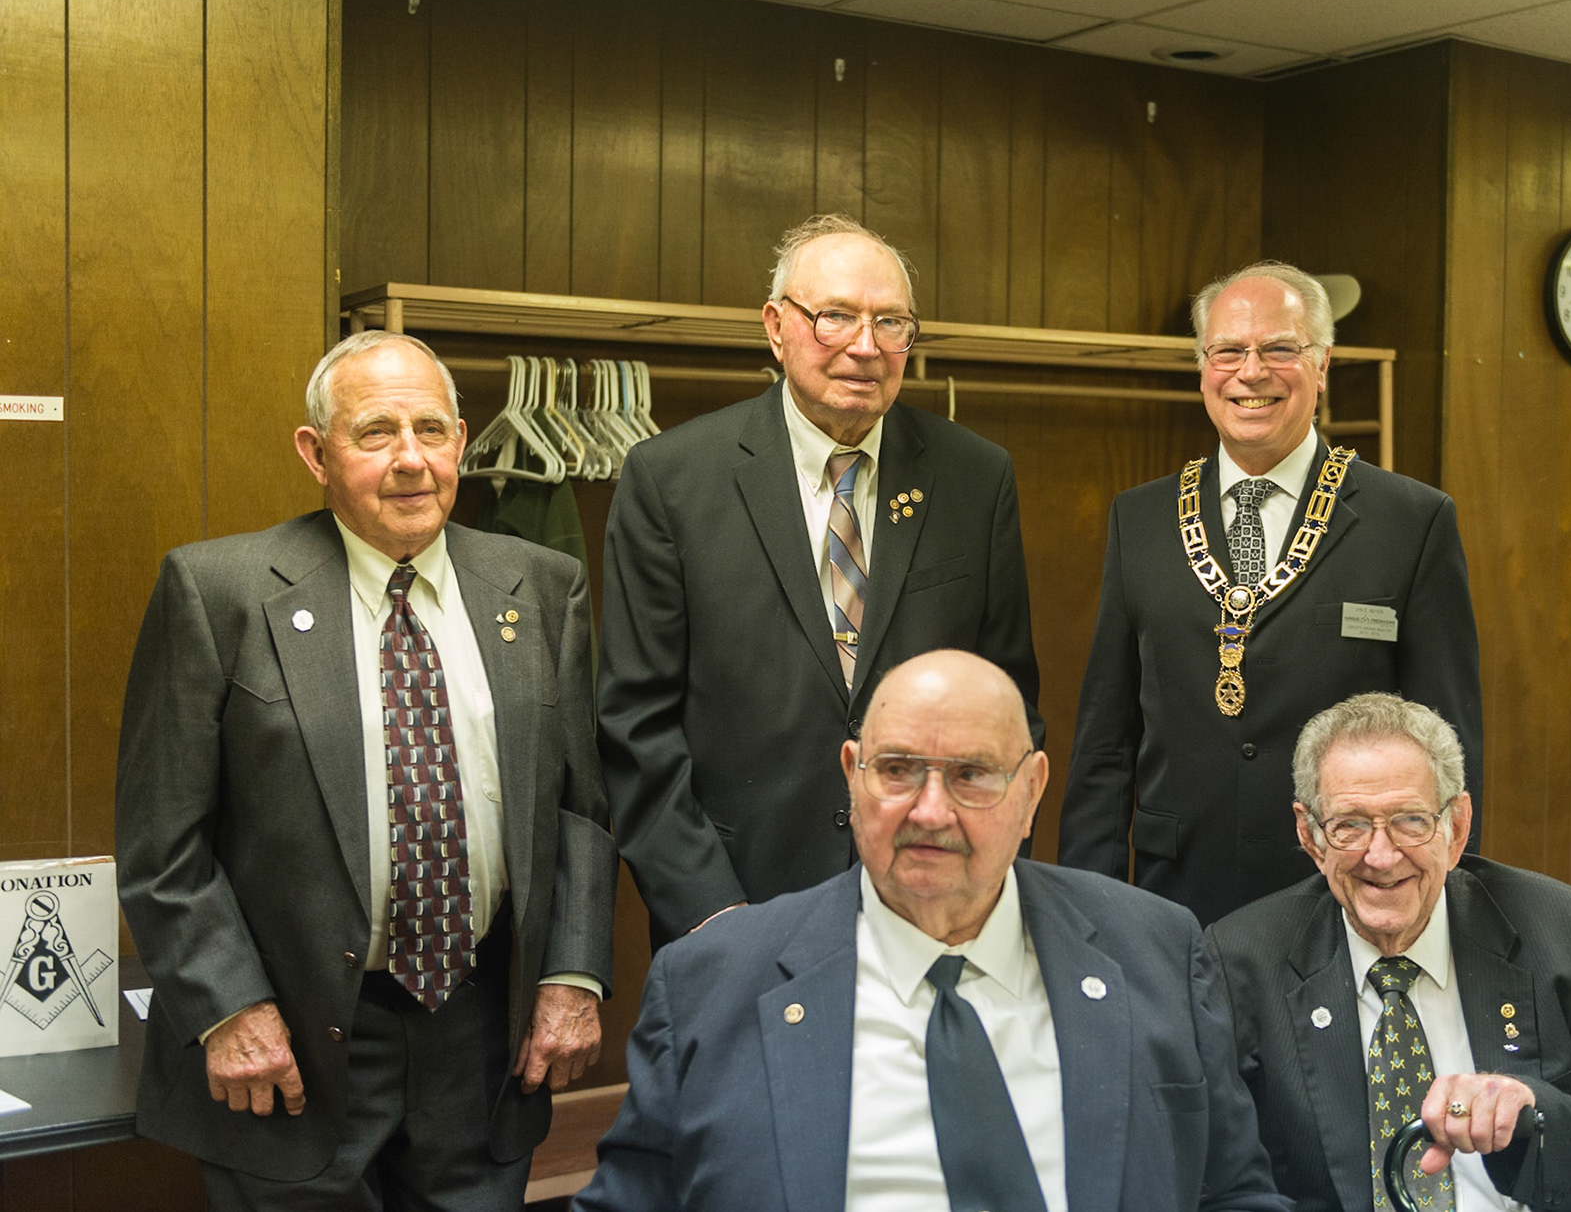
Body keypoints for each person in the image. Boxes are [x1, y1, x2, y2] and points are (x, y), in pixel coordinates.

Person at [115, 331, 615, 1208]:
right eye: (376, 432)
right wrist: (230, 1007)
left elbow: (579, 811)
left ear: (462, 439)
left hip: (479, 1037)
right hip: (289, 1046)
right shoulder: (219, 593)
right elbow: (163, 841)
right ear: (316, 453)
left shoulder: (542, 588)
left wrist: (571, 976)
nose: (411, 460)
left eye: (430, 428)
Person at [575, 650, 1284, 1211]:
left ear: (1033, 789)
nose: (930, 811)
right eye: (898, 770)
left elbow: (1233, 1195)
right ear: (852, 777)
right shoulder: (713, 982)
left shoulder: (1153, 951)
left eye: (972, 775)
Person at [598, 213, 1042, 943]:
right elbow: (636, 726)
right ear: (777, 327)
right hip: (736, 907)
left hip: (933, 902)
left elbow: (1010, 706)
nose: (864, 348)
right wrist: (712, 914)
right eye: (835, 317)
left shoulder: (975, 476)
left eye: (890, 322)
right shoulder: (672, 480)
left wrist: (983, 885)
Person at [1059, 260, 1482, 926]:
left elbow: (1449, 747)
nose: (1250, 372)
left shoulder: (1412, 523)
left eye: (1280, 349)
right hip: (1175, 896)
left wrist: (1444, 913)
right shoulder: (1137, 519)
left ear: (1322, 365)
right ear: (1203, 368)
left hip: (1344, 896)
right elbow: (1106, 742)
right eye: (1228, 351)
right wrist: (1084, 909)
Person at [1205, 693, 1571, 1212]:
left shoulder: (1568, 935)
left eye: (1410, 821)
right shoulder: (1243, 959)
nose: (1381, 855)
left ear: (1456, 828)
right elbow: (1214, 1175)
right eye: (1349, 824)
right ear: (1311, 837)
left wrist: (1534, 1114)